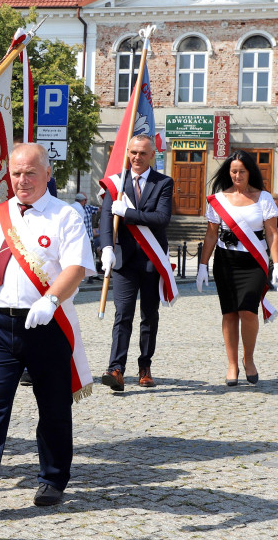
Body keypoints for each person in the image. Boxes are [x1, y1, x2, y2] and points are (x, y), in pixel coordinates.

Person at [0, 144, 95, 515]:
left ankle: (53, 477)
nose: (22, 180)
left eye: (30, 173)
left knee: (54, 407)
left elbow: (75, 267)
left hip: (46, 325)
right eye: (15, 173)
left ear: (47, 174)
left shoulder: (65, 216)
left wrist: (51, 301)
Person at [195, 150, 278, 386]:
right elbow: (211, 234)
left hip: (253, 262)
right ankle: (232, 364)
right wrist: (202, 266)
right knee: (230, 312)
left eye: (241, 171)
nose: (237, 175)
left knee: (248, 311)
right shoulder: (218, 199)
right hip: (226, 261)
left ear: (249, 171)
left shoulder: (263, 198)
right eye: (233, 171)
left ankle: (249, 359)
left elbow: (272, 233)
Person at [100, 134, 174, 391]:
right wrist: (106, 247)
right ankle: (116, 368)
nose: (137, 158)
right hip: (124, 260)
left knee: (149, 316)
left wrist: (128, 213)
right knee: (122, 314)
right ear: (127, 153)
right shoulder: (116, 183)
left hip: (152, 260)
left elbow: (162, 218)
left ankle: (145, 365)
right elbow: (106, 219)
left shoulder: (163, 182)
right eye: (133, 152)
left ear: (152, 154)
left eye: (142, 153)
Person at [72, 192, 99, 281]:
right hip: (82, 236)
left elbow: (98, 209)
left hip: (87, 236)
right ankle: (86, 275)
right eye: (85, 200)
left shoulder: (87, 208)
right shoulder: (77, 208)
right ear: (83, 201)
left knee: (90, 255)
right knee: (84, 255)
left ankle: (92, 275)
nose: (86, 201)